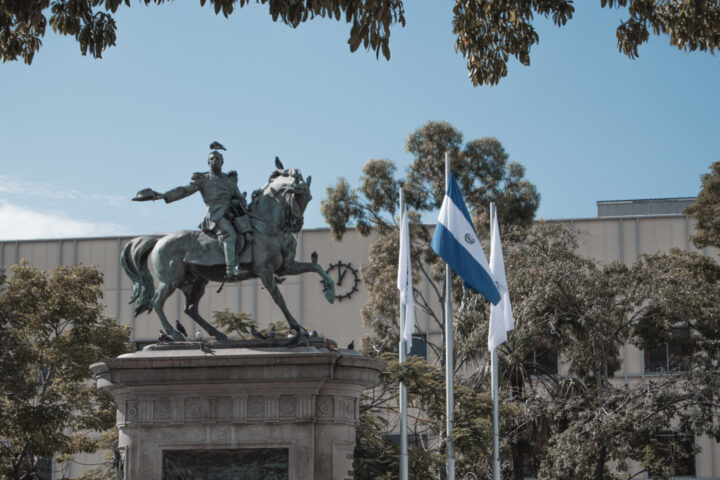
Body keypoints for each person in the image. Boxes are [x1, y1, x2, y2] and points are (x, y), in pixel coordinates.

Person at [138, 150, 248, 278]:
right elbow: (185, 190)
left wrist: (240, 201)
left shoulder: (229, 180)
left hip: (232, 214)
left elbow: (239, 197)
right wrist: (165, 195)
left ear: (222, 162)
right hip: (214, 216)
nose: (214, 161)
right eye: (212, 159)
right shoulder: (203, 179)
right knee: (229, 234)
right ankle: (231, 269)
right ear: (208, 162)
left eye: (217, 158)